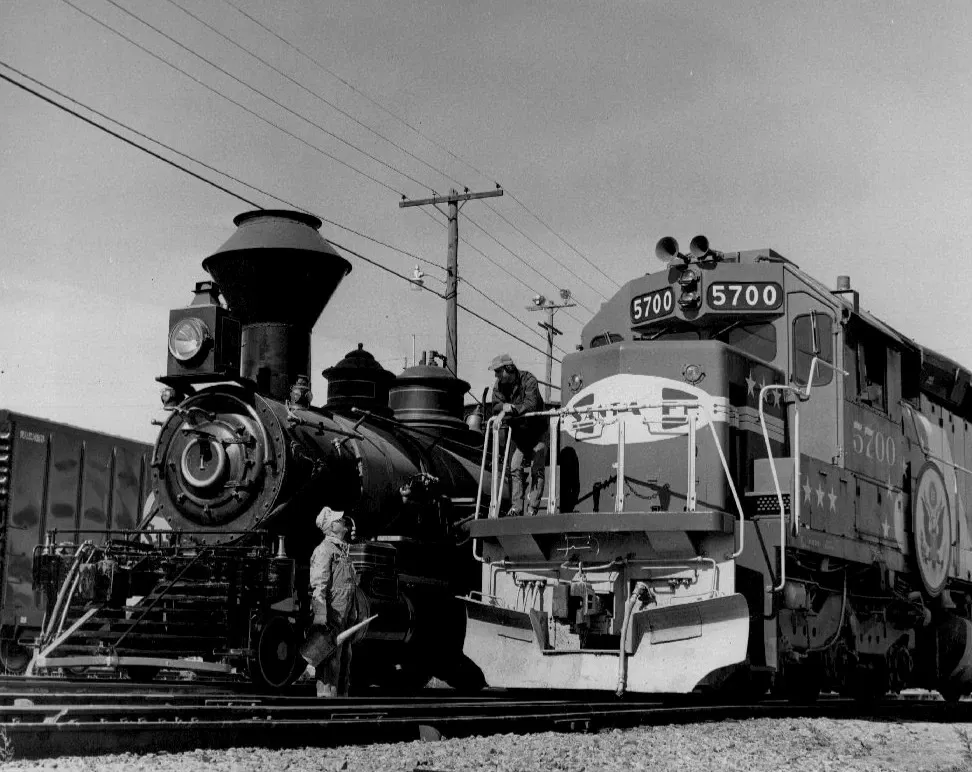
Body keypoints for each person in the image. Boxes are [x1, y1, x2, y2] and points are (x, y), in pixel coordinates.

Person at [489, 353, 547, 517]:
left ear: (509, 369)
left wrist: (512, 408)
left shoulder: (529, 380)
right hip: (519, 434)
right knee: (514, 467)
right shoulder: (499, 386)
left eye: (499, 371)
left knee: (537, 468)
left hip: (537, 431)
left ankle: (532, 508)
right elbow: (496, 406)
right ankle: (516, 508)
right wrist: (505, 407)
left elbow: (531, 404)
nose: (496, 375)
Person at [309, 506, 358, 697]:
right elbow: (318, 585)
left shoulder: (343, 551)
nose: (343, 521)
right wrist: (320, 616)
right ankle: (326, 699)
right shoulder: (324, 550)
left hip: (345, 614)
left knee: (344, 658)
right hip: (332, 614)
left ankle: (341, 699)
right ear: (331, 527)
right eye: (338, 520)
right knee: (330, 658)